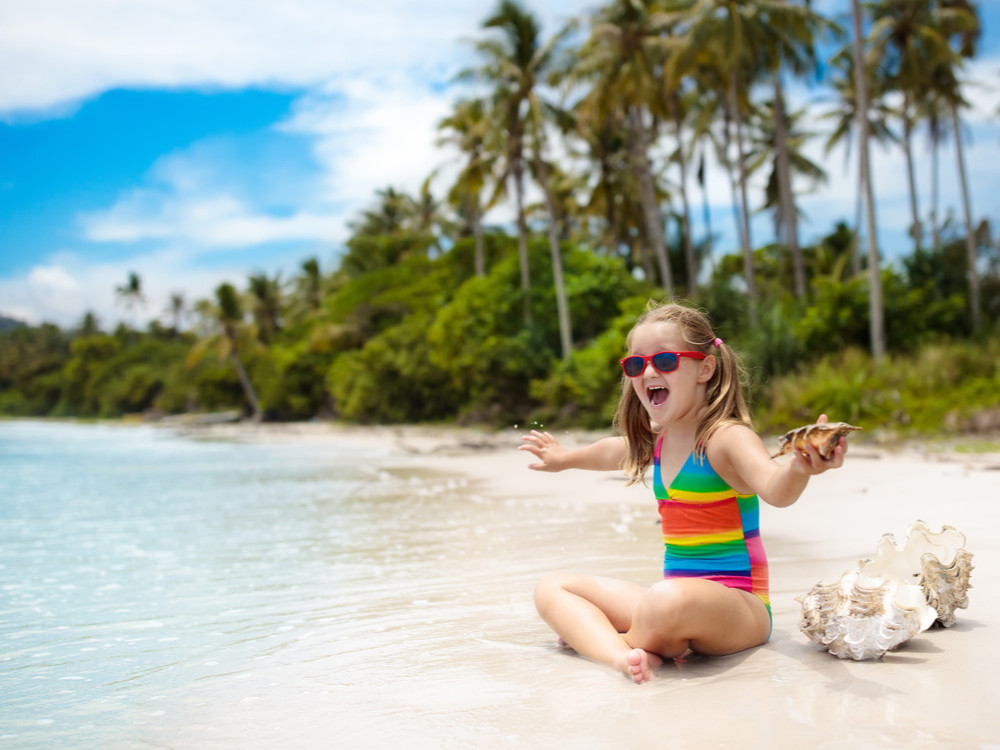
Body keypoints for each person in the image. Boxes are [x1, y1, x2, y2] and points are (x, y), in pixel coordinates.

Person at [518, 301, 848, 683]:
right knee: (552, 587)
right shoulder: (656, 442)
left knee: (664, 598)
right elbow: (611, 450)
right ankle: (621, 656)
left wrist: (799, 467)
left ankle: (619, 640)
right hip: (675, 603)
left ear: (704, 368)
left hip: (741, 608)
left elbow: (775, 489)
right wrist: (563, 459)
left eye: (665, 361)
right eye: (636, 365)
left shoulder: (726, 437)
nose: (649, 371)